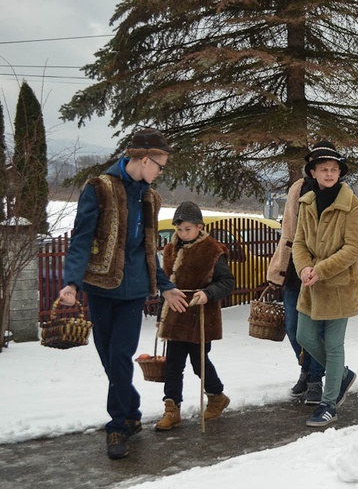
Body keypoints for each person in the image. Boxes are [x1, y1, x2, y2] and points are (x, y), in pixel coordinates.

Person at [58, 129, 185, 460]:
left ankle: (117, 426)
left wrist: (165, 285)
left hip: (133, 292)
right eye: (159, 165)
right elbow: (82, 238)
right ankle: (132, 411)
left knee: (118, 356)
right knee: (108, 358)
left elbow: (148, 249)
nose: (160, 171)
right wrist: (72, 281)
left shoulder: (150, 198)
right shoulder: (99, 188)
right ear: (144, 159)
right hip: (100, 288)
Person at [292, 141, 358, 427]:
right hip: (311, 284)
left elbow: (354, 247)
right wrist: (304, 267)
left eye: (334, 169)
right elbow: (299, 242)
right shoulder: (306, 202)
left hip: (339, 285)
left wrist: (321, 269)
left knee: (334, 344)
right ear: (314, 172)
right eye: (324, 169)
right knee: (304, 336)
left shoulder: (351, 204)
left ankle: (329, 403)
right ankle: (342, 375)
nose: (330, 174)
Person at [154, 201, 235, 430]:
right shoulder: (170, 249)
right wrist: (162, 314)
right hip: (176, 315)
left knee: (199, 362)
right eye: (179, 230)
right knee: (173, 364)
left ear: (200, 227)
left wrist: (207, 294)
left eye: (187, 229)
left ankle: (217, 396)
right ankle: (172, 409)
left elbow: (227, 282)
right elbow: (168, 283)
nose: (183, 234)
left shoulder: (213, 250)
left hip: (201, 315)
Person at [266, 145, 327, 405]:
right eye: (315, 162)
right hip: (293, 269)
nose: (321, 168)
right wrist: (279, 267)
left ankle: (315, 379)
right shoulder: (298, 187)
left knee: (314, 331)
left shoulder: (334, 192)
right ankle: (305, 369)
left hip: (320, 272)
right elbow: (288, 230)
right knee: (293, 328)